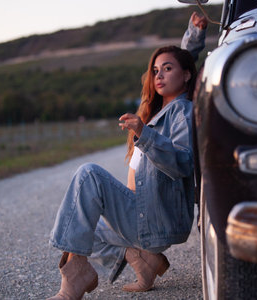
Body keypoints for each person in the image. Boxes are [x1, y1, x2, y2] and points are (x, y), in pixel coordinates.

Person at [47, 44, 198, 300]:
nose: (158, 75)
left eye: (167, 69)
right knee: (79, 226)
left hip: (155, 219)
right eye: (155, 70)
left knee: (89, 175)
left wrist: (145, 134)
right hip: (143, 216)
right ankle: (144, 261)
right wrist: (194, 36)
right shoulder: (160, 112)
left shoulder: (181, 112)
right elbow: (185, 58)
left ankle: (73, 279)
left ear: (186, 75)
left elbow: (183, 162)